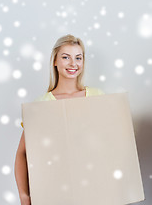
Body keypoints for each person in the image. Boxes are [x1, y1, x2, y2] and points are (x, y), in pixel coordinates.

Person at [14, 34, 103, 205]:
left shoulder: (97, 97)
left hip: (93, 191)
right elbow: (22, 154)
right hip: (56, 194)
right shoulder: (41, 105)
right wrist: (24, 196)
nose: (73, 64)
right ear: (55, 61)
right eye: (66, 57)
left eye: (78, 58)